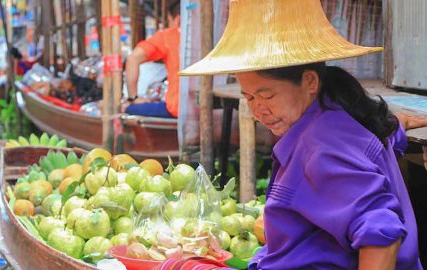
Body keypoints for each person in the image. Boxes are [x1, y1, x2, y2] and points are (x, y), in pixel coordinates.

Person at [180, 0, 422, 269]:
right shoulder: (345, 116)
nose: (258, 110)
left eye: (267, 95)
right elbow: (380, 143)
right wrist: (401, 123)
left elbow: (381, 232)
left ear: (309, 82)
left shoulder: (321, 148)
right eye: (248, 97)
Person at [124, 0, 180, 118]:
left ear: (177, 19)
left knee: (128, 108)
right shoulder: (213, 35)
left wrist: (133, 97)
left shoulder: (169, 36)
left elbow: (133, 59)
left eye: (169, 20)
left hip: (177, 109)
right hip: (217, 109)